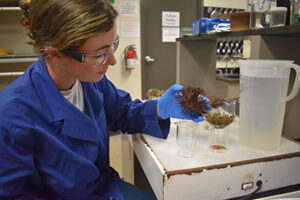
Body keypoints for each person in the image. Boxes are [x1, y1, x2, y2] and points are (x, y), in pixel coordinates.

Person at [0, 0, 209, 199]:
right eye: (100, 54)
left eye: (113, 46)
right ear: (54, 53)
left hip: (105, 187)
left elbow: (119, 112)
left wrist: (159, 109)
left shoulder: (90, 81)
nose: (112, 60)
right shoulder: (11, 117)